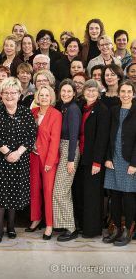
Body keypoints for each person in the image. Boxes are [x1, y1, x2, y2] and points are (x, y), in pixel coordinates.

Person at [0, 77, 36, 243]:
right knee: (0, 196)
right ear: (1, 95)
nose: (10, 96)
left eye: (13, 92)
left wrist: (18, 153)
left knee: (14, 195)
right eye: (6, 93)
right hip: (0, 160)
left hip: (20, 161)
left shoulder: (25, 112)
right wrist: (7, 153)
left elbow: (31, 135)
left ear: (19, 94)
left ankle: (11, 226)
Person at [73, 79, 110, 238]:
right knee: (81, 192)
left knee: (92, 195)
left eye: (94, 91)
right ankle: (81, 225)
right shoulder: (81, 107)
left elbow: (102, 138)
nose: (90, 93)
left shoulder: (102, 110)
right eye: (88, 90)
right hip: (80, 157)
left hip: (93, 159)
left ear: (99, 92)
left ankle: (92, 229)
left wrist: (97, 161)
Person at [103, 81, 136, 246]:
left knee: (128, 197)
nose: (125, 94)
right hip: (114, 159)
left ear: (133, 94)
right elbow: (108, 136)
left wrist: (134, 163)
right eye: (123, 91)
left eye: (129, 92)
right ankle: (116, 229)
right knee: (114, 196)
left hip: (130, 162)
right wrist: (108, 157)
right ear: (119, 93)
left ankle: (127, 231)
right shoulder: (114, 111)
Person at [27, 85, 62, 240]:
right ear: (37, 97)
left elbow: (55, 140)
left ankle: (49, 224)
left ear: (51, 97)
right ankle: (36, 218)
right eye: (41, 95)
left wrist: (50, 160)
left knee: (48, 191)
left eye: (47, 95)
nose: (44, 98)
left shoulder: (56, 114)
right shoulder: (33, 112)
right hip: (33, 156)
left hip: (48, 158)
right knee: (34, 189)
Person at [53, 80, 81, 241]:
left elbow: (73, 136)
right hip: (62, 149)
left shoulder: (73, 109)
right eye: (63, 91)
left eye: (69, 91)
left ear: (74, 93)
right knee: (64, 191)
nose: (66, 94)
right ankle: (65, 224)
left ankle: (71, 228)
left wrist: (70, 160)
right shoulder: (63, 107)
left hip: (69, 150)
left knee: (60, 191)